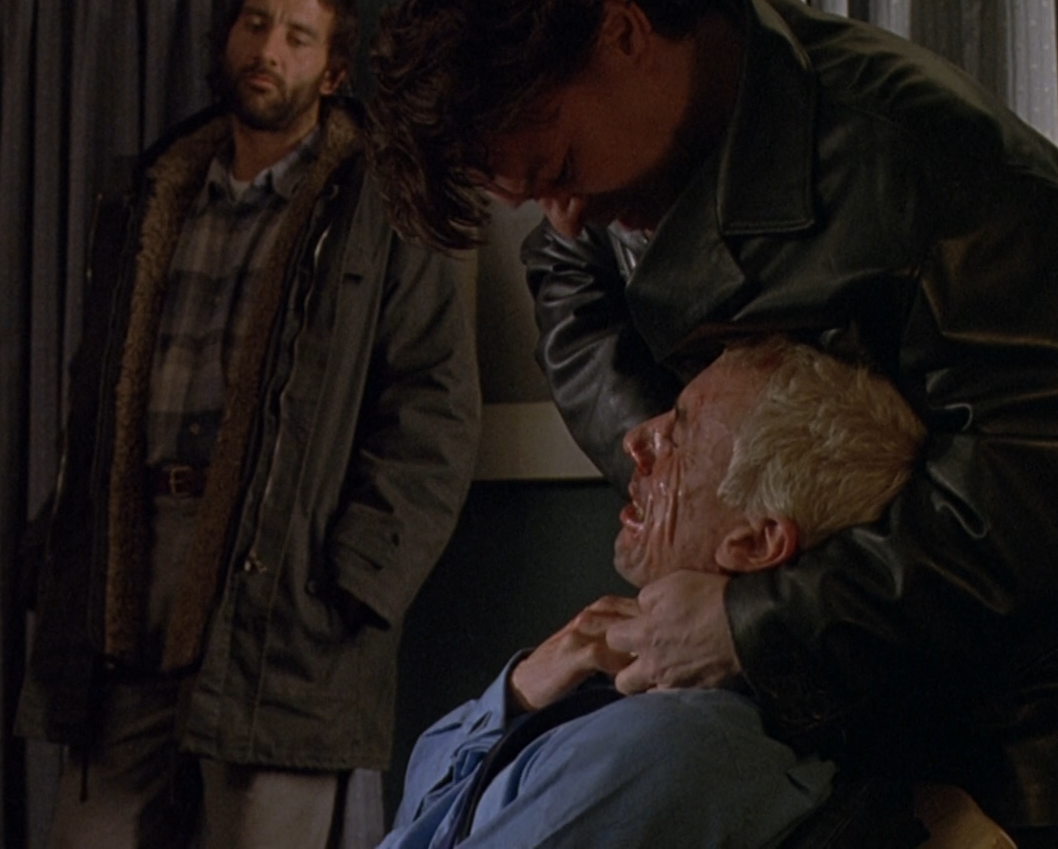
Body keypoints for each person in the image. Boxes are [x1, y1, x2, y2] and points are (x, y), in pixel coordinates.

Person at [367, 0, 1058, 840]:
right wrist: (690, 491)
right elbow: (573, 287)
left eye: (561, 171)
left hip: (1023, 715)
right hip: (807, 695)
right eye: (531, 198)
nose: (562, 220)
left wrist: (759, 619)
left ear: (621, 30)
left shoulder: (931, 162)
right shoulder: (609, 177)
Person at [18, 0, 481, 849]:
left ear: (333, 73)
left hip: (284, 595)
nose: (269, 49)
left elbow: (436, 408)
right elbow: (92, 395)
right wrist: (55, 550)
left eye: (298, 37)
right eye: (256, 25)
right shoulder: (153, 193)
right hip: (129, 577)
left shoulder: (380, 203)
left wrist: (357, 580)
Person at [383, 338, 931, 849]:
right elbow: (423, 811)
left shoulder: (673, 747)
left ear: (757, 542)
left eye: (681, 436)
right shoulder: (631, 702)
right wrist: (517, 695)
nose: (635, 442)